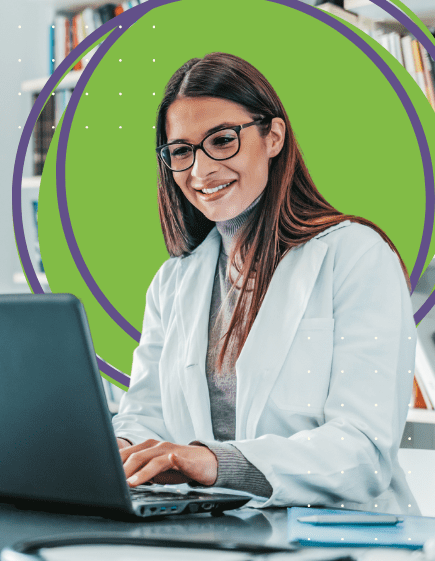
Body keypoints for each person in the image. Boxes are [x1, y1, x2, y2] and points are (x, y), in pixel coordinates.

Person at [112, 52, 419, 514]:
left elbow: (362, 453)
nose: (200, 171)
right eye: (181, 151)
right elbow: (146, 412)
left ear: (273, 137)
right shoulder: (174, 280)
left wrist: (212, 462)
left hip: (330, 536)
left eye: (221, 140)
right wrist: (118, 448)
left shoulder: (355, 255)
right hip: (211, 530)